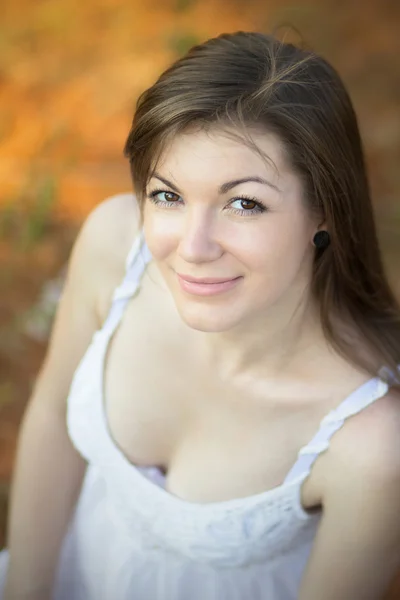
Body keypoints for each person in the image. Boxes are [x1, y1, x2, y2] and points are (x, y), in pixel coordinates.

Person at [0, 29, 400, 600]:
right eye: (168, 195)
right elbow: (51, 415)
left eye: (244, 203)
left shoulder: (372, 443)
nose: (193, 246)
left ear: (324, 211)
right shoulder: (117, 245)